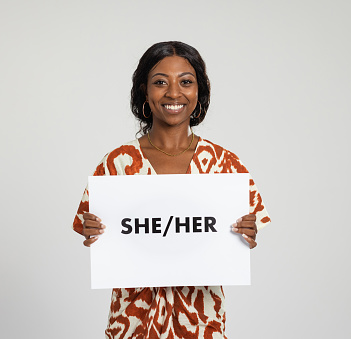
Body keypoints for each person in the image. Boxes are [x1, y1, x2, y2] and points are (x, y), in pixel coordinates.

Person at [73, 41, 271, 338]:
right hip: (132, 323)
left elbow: (241, 241)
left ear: (199, 91)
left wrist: (245, 235)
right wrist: (97, 232)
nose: (174, 93)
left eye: (186, 82)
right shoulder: (117, 163)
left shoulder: (225, 164)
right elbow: (96, 236)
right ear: (144, 90)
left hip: (201, 323)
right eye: (160, 82)